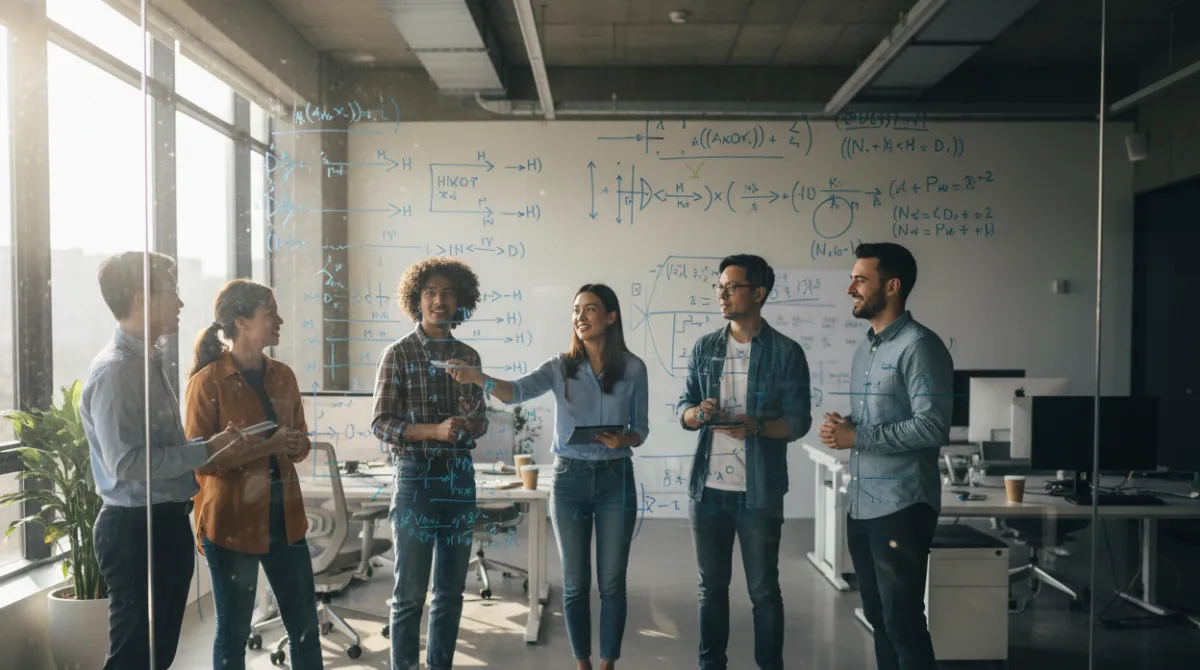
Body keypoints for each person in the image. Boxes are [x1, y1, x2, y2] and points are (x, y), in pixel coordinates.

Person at [445, 283, 649, 670]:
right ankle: (582, 664)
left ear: (610, 316)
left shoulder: (634, 368)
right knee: (574, 584)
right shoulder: (560, 366)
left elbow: (641, 429)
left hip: (615, 478)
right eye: (576, 310)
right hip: (570, 480)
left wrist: (623, 437)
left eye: (590, 309)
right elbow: (515, 392)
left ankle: (607, 665)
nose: (580, 317)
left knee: (611, 584)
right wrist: (477, 377)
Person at [82, 251, 257, 670]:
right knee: (134, 655)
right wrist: (207, 449)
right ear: (142, 299)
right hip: (136, 530)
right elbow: (126, 463)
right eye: (172, 293)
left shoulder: (145, 363)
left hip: (161, 523)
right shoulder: (116, 372)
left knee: (155, 654)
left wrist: (210, 445)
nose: (180, 304)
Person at [818, 242, 953, 670]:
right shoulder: (868, 349)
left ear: (891, 286)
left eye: (860, 279)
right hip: (863, 504)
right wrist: (848, 426)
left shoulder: (920, 347)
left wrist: (857, 435)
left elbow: (933, 426)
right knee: (878, 618)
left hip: (902, 504)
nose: (850, 289)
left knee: (903, 622)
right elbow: (876, 420)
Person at [676, 254, 812, 670]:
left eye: (730, 286)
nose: (721, 293)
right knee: (711, 589)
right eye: (719, 286)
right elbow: (683, 408)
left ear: (758, 293)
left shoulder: (786, 352)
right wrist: (697, 413)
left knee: (763, 591)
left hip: (760, 491)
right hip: (708, 491)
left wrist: (756, 427)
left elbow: (799, 422)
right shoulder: (705, 347)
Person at [183, 279, 323, 670]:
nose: (279, 320)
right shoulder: (207, 382)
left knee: (306, 629)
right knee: (233, 634)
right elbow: (199, 461)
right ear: (242, 322)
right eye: (270, 313)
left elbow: (300, 442)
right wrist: (271, 446)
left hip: (286, 521)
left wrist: (295, 445)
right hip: (231, 525)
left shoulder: (284, 375)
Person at [372, 258, 489, 670]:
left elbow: (481, 420)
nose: (439, 301)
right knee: (409, 594)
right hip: (416, 481)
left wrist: (466, 424)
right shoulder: (398, 354)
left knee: (451, 591)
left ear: (460, 301)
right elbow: (381, 424)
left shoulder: (469, 355)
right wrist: (434, 431)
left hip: (459, 479)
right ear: (417, 300)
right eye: (430, 293)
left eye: (448, 293)